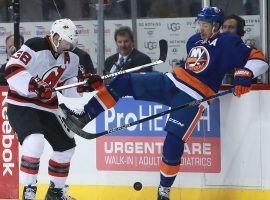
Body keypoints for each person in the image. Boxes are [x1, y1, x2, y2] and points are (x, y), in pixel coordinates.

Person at [59, 7, 269, 200]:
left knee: (173, 142)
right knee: (124, 82)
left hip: (194, 97)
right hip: (171, 81)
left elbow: (260, 59)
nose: (201, 28)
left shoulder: (228, 42)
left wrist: (246, 72)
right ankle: (84, 115)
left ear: (215, 25)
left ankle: (163, 191)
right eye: (200, 23)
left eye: (205, 24)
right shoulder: (194, 40)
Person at [5, 18, 85, 200]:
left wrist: (82, 85)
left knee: (66, 148)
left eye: (70, 43)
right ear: (55, 36)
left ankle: (55, 192)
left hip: (48, 108)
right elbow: (12, 69)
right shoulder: (35, 45)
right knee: (34, 142)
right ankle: (29, 190)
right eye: (64, 41)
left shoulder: (71, 58)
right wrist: (34, 84)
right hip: (22, 104)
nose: (67, 45)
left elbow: (66, 84)